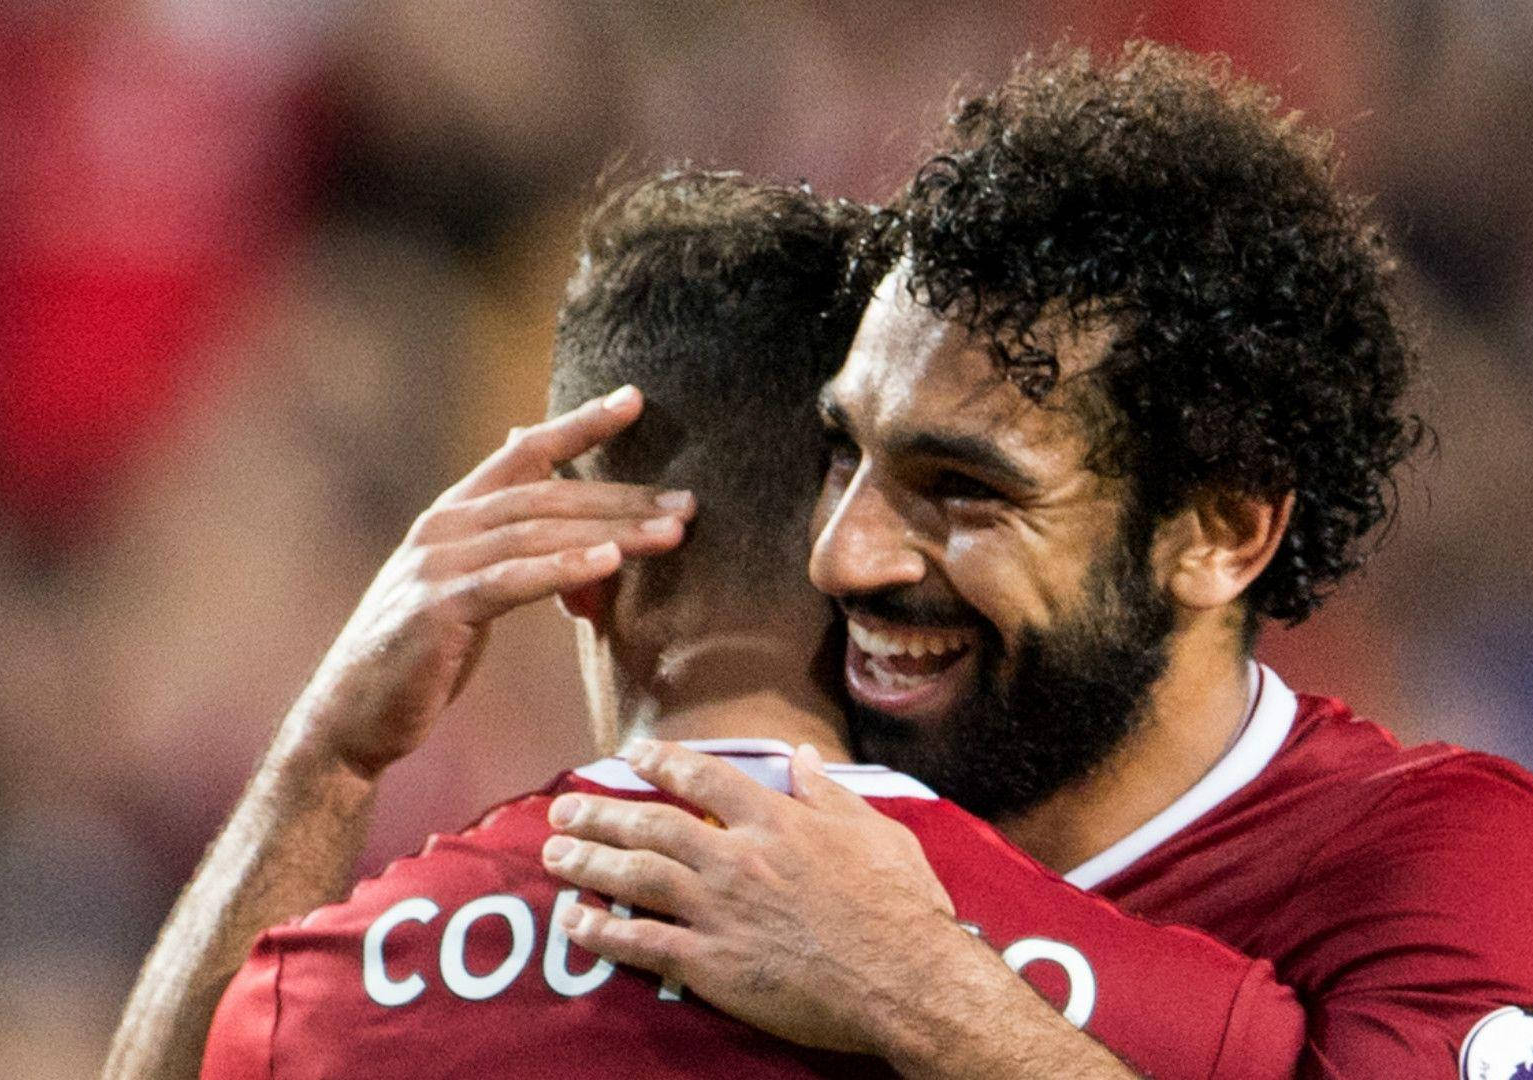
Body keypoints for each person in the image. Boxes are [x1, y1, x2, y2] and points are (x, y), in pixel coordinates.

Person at [541, 44, 1533, 1080]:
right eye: (844, 453)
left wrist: (923, 992)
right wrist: (409, 721)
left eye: (964, 489)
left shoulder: (1440, 863)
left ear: (1219, 534)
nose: (842, 554)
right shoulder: (779, 809)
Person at [111, 172, 1305, 1080]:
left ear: (573, 554)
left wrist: (327, 760)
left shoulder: (329, 997)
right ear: (869, 544)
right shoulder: (1187, 1017)